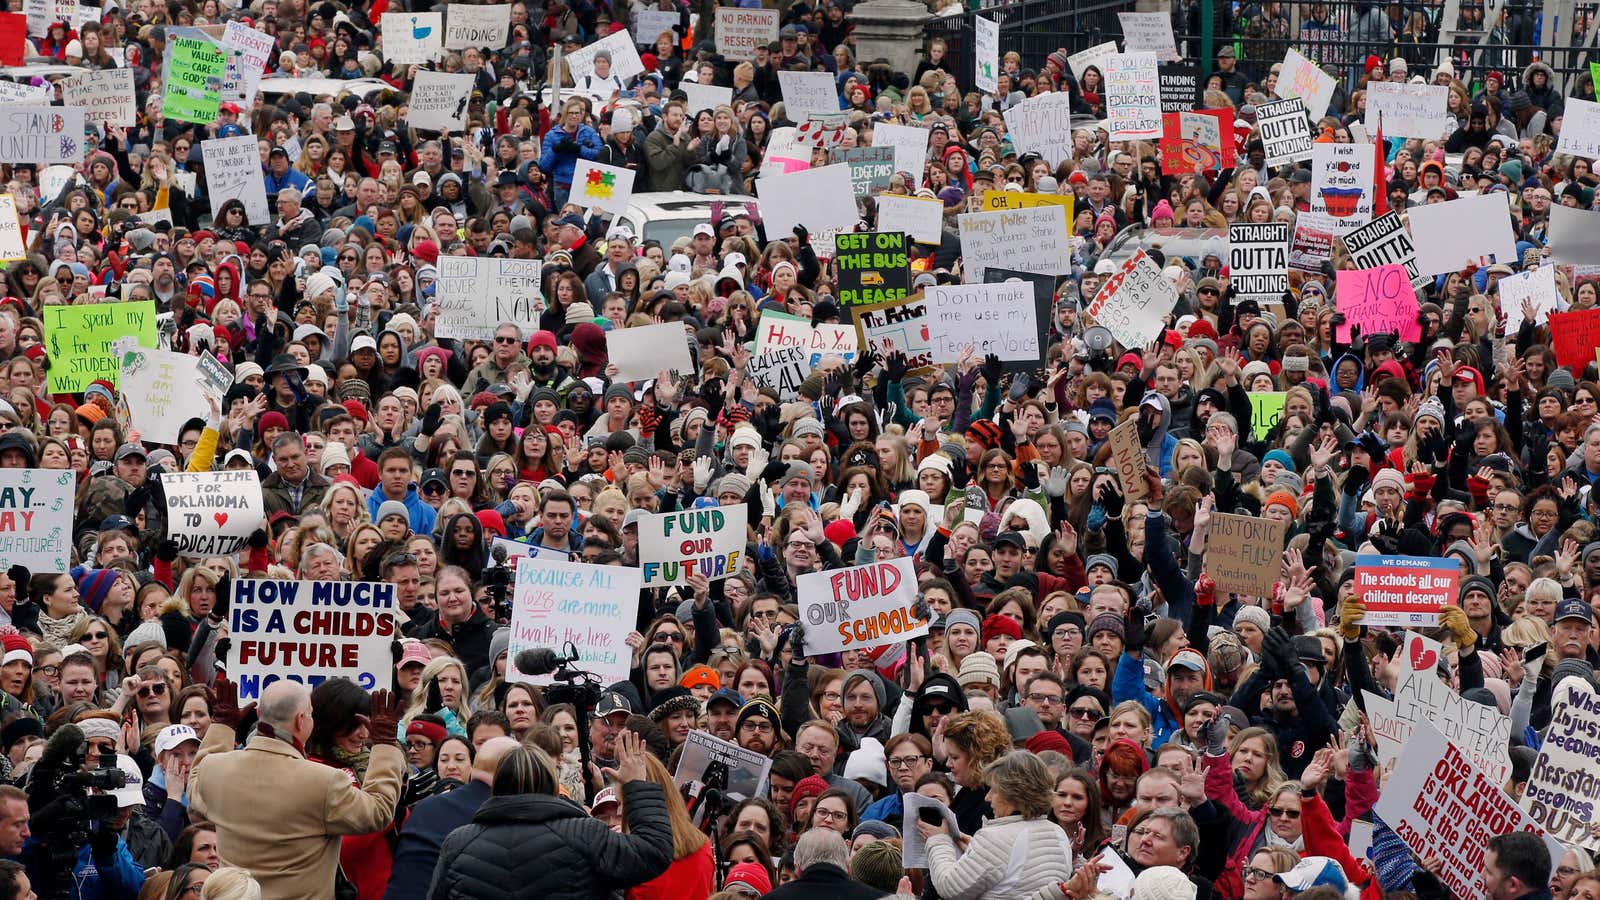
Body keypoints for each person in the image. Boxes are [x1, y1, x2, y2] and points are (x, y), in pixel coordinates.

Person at [189, 679, 404, 899]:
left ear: (261, 712)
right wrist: (386, 744)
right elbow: (378, 813)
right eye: (310, 714)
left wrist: (222, 725)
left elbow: (194, 783)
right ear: (301, 720)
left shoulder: (215, 769)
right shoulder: (325, 782)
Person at [428, 732, 674, 898]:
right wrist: (637, 785)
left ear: (497, 785)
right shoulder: (585, 833)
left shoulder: (458, 843)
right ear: (550, 783)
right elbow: (653, 851)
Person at [382, 736, 519, 900]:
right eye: (444, 759)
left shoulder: (425, 810)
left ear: (472, 765)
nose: (451, 766)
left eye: (460, 759)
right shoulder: (423, 808)